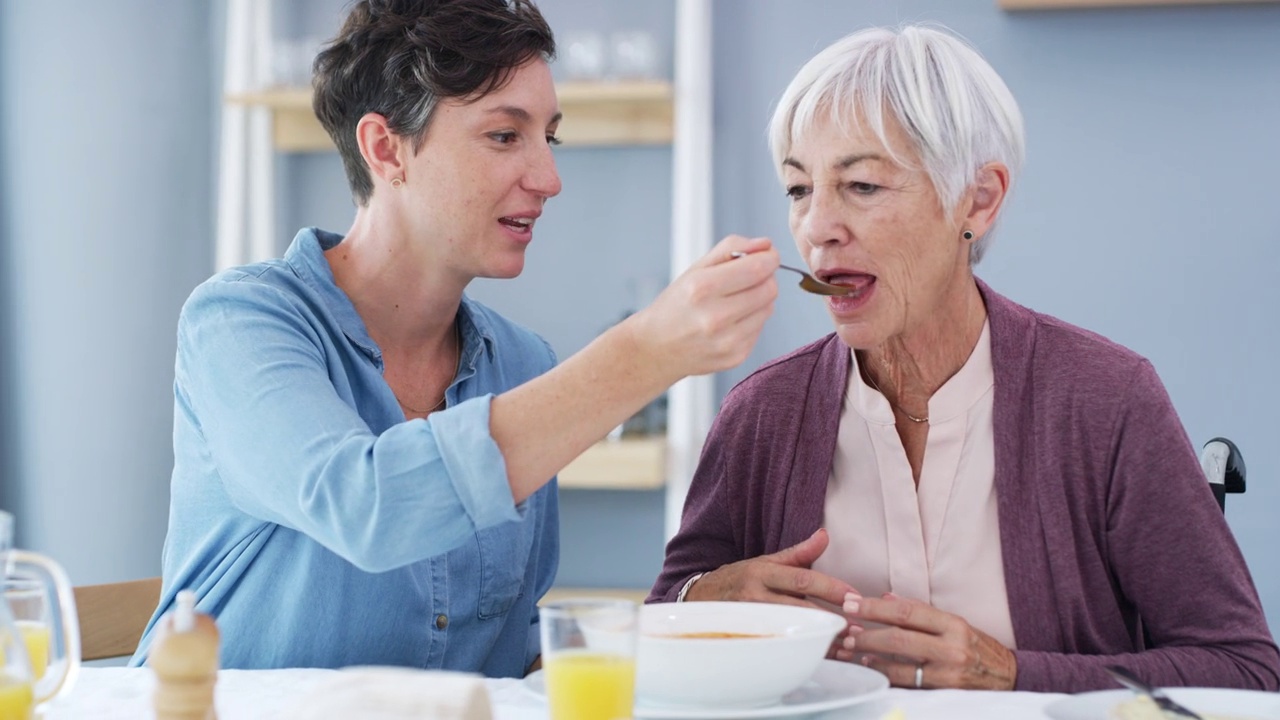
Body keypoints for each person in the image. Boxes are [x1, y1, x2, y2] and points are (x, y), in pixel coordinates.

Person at [129, 0, 779, 676]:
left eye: (548, 138)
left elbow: (512, 664)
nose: (549, 179)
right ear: (386, 149)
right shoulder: (240, 323)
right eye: (504, 136)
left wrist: (692, 617)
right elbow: (366, 505)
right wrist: (644, 354)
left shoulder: (524, 365)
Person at [649, 24, 1280, 694]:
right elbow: (656, 635)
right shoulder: (762, 413)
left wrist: (1011, 673)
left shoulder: (1107, 400)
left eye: (861, 185)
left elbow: (1245, 672)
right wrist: (702, 598)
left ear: (978, 199)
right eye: (799, 189)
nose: (816, 226)